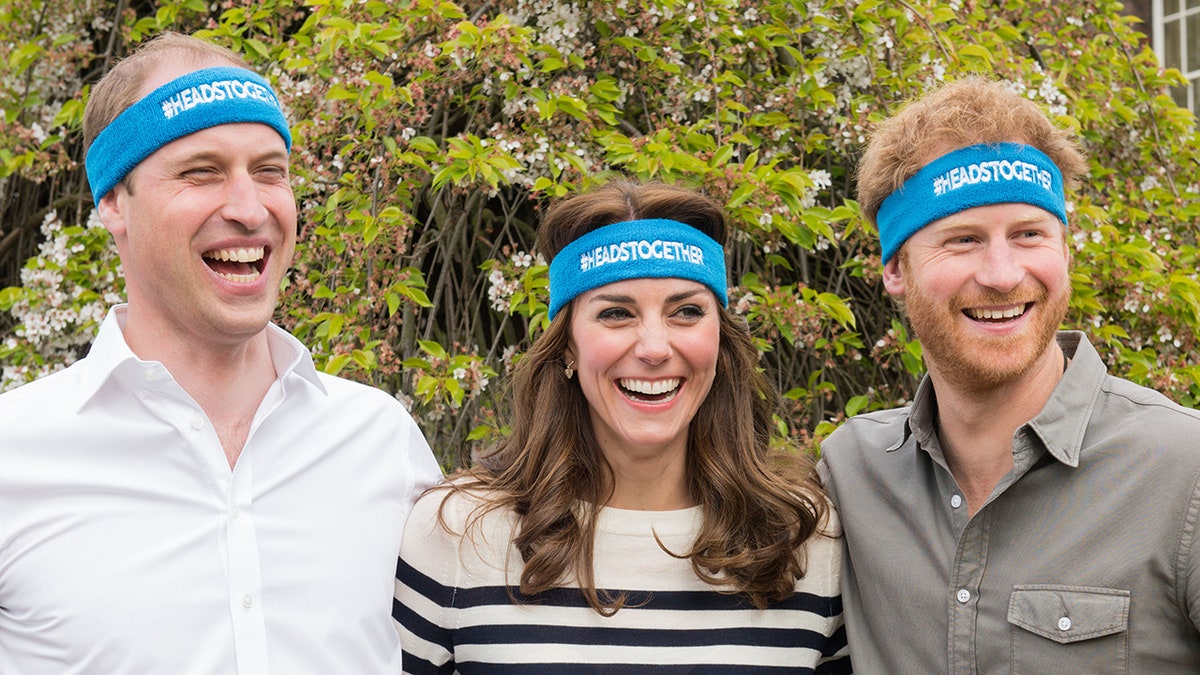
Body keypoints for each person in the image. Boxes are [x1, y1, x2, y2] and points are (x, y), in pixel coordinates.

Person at [0, 32, 442, 673]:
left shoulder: (382, 442)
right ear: (113, 204)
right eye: (200, 172)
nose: (249, 207)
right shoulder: (14, 456)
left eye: (270, 171)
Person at [818, 76, 1200, 673]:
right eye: (963, 239)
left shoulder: (1186, 470)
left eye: (1028, 235)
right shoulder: (851, 474)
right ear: (895, 269)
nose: (1001, 274)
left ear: (1065, 251)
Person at [394, 180, 850, 673]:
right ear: (567, 344)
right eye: (616, 313)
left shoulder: (805, 537)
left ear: (719, 338)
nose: (654, 348)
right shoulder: (459, 533)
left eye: (687, 312)